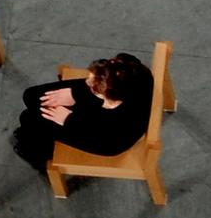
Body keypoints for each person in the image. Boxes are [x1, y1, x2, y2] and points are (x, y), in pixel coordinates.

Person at [12, 53, 153, 171]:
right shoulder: (133, 74)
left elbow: (102, 136)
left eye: (94, 88)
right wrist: (76, 94)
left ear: (112, 101)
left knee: (29, 118)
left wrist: (69, 120)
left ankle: (37, 152)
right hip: (101, 114)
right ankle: (33, 135)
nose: (87, 82)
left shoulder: (120, 124)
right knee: (31, 96)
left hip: (104, 140)